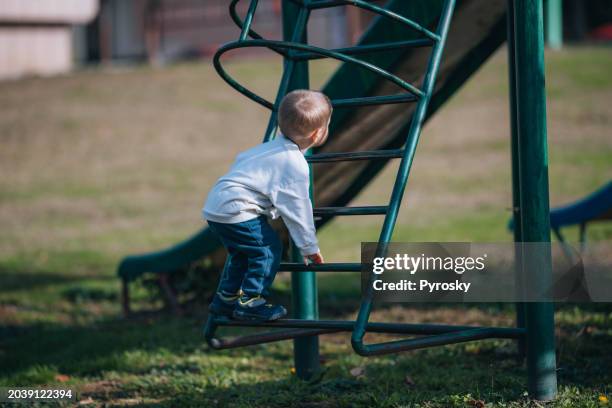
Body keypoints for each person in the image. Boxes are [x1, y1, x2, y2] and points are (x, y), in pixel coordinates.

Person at [202, 89, 332, 321]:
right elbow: (298, 210)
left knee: (242, 254)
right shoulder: (294, 164)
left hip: (216, 205)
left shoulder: (268, 148)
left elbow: (242, 164)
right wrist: (309, 247)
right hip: (238, 208)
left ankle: (226, 299)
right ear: (316, 135)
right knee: (267, 250)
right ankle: (251, 302)